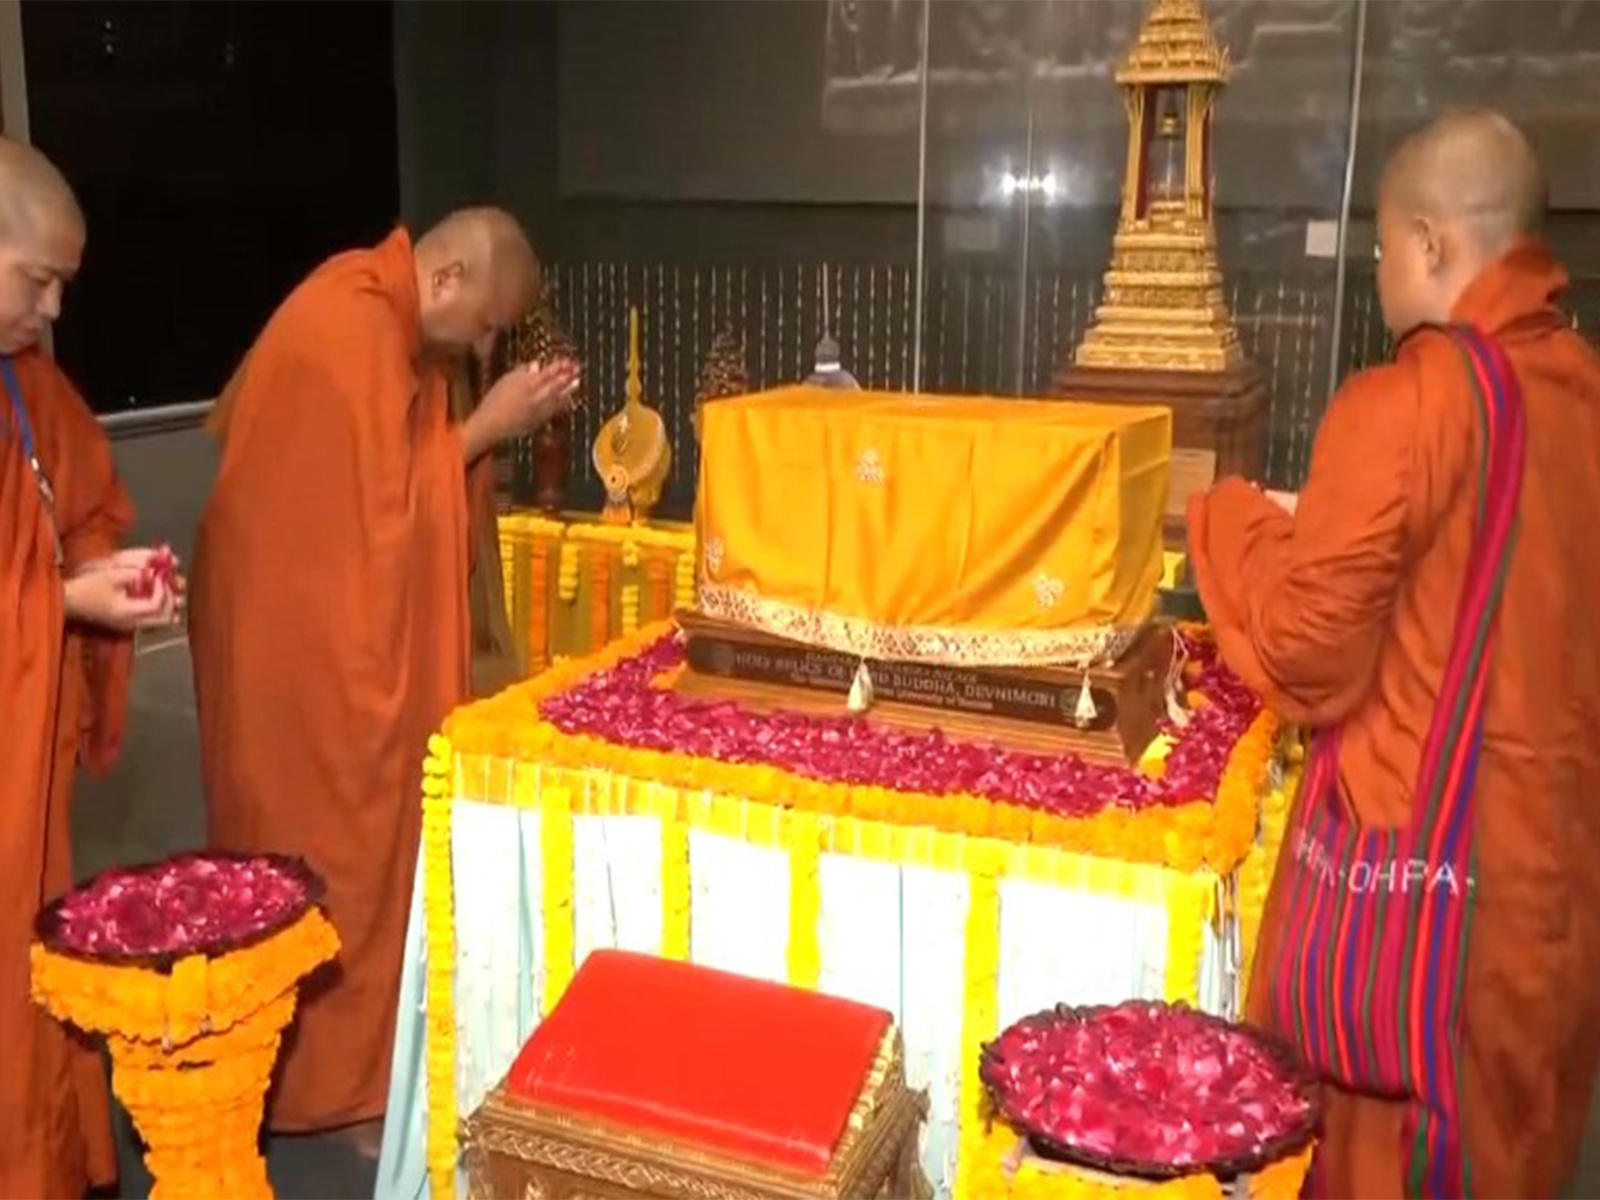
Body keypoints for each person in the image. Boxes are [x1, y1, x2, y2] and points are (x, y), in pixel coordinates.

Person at [1188, 110, 1600, 1196]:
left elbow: (1301, 647)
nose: (1378, 277)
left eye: (1378, 250)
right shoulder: (1581, 392)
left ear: (1429, 244)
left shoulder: (1412, 401)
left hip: (1424, 926)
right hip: (1552, 912)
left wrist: (1230, 521)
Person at [190, 210, 577, 1142]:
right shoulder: (350, 322)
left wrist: (474, 430)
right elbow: (376, 522)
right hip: (301, 659)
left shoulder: (393, 323)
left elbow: (387, 495)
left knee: (363, 846)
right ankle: (326, 1082)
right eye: (486, 326)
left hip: (322, 634)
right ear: (443, 281)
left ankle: (365, 1073)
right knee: (334, 850)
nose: (483, 346)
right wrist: (486, 425)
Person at [0, 137, 182, 1197]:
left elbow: (78, 511)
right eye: (38, 279)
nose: (54, 309)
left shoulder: (28, 384)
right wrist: (54, 602)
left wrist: (106, 578)